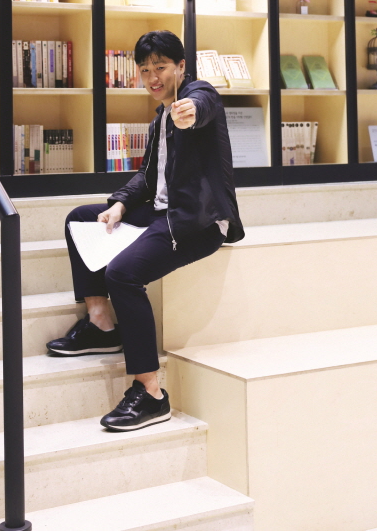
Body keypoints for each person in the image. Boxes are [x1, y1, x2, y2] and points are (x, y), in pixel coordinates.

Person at [46, 30, 244, 432]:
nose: (153, 77)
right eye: (145, 69)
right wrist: (119, 204)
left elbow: (202, 104)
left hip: (197, 221)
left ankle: (151, 392)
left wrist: (190, 111)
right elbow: (147, 176)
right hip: (160, 212)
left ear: (181, 67)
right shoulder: (159, 120)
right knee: (80, 218)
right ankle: (101, 325)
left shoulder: (198, 95)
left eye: (161, 67)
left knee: (122, 274)